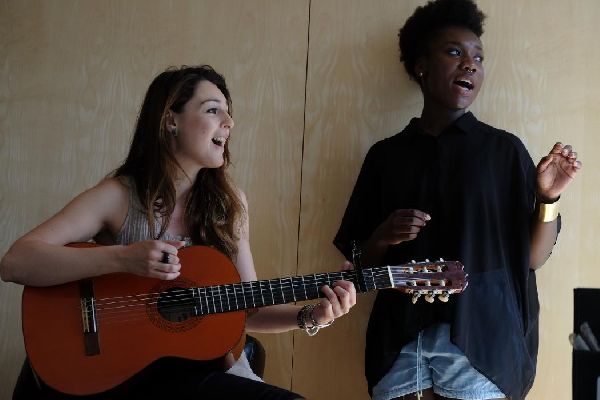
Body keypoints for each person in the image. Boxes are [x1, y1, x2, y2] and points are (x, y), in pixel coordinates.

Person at [0, 65, 357, 399]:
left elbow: (250, 309)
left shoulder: (229, 204)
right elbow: (16, 261)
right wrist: (121, 258)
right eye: (214, 110)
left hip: (201, 372)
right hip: (127, 375)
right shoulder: (119, 196)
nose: (230, 122)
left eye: (229, 112)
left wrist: (312, 316)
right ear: (171, 119)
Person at [334, 1, 582, 400]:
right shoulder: (386, 156)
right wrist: (383, 235)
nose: (470, 65)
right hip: (400, 343)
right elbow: (358, 267)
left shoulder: (503, 151)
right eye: (454, 52)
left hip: (482, 344)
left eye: (478, 58)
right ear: (421, 66)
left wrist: (547, 197)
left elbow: (532, 258)